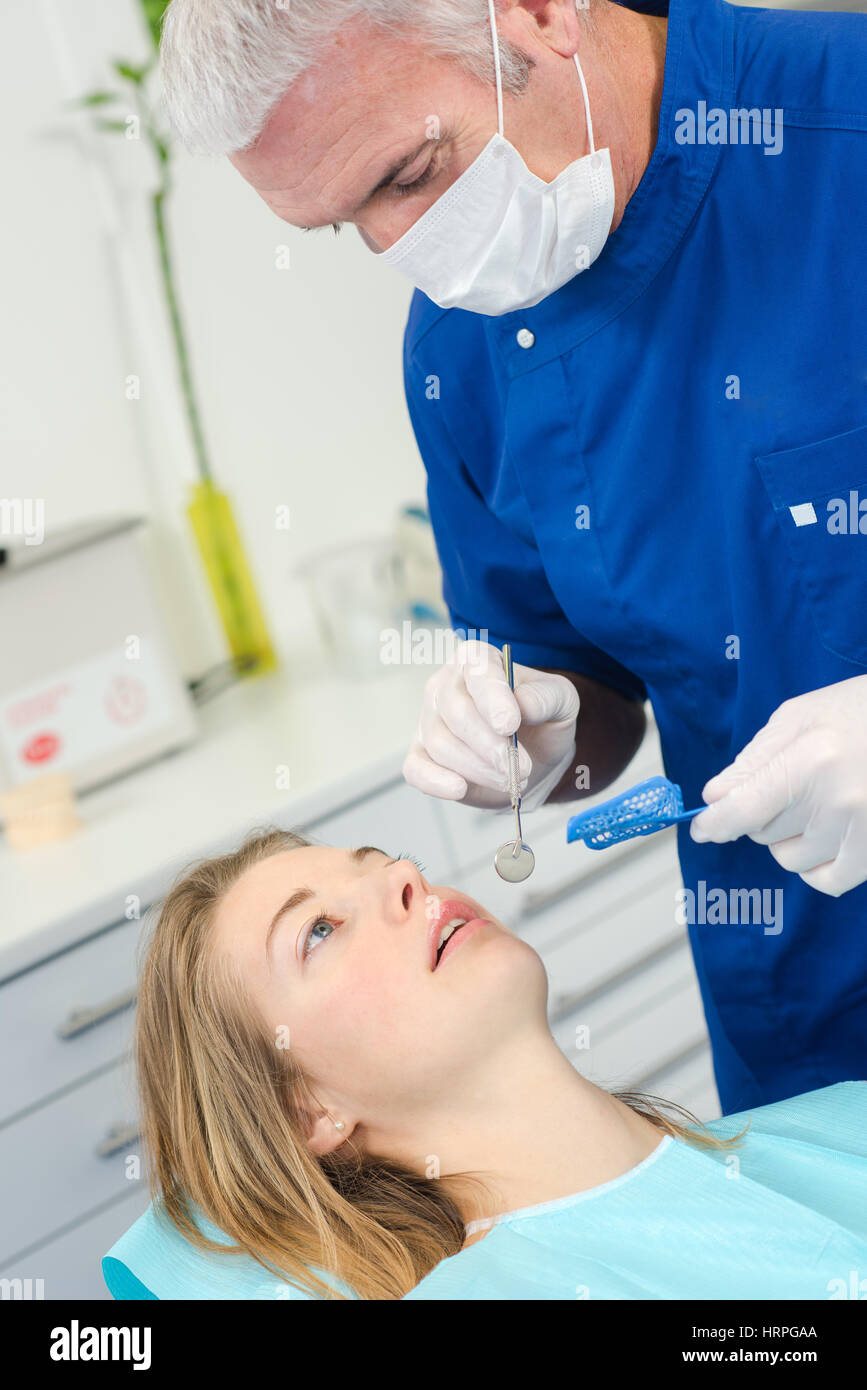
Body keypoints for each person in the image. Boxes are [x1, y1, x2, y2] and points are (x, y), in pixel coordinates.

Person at [157, 0, 867, 1115]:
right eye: (345, 227)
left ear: (539, 14)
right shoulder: (461, 354)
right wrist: (545, 730)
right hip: (812, 1034)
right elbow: (592, 696)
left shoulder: (843, 126)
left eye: (406, 174)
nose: (409, 259)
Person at [102, 832, 867, 1300]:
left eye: (379, 863)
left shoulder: (832, 1126)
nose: (406, 875)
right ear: (307, 1113)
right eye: (320, 930)